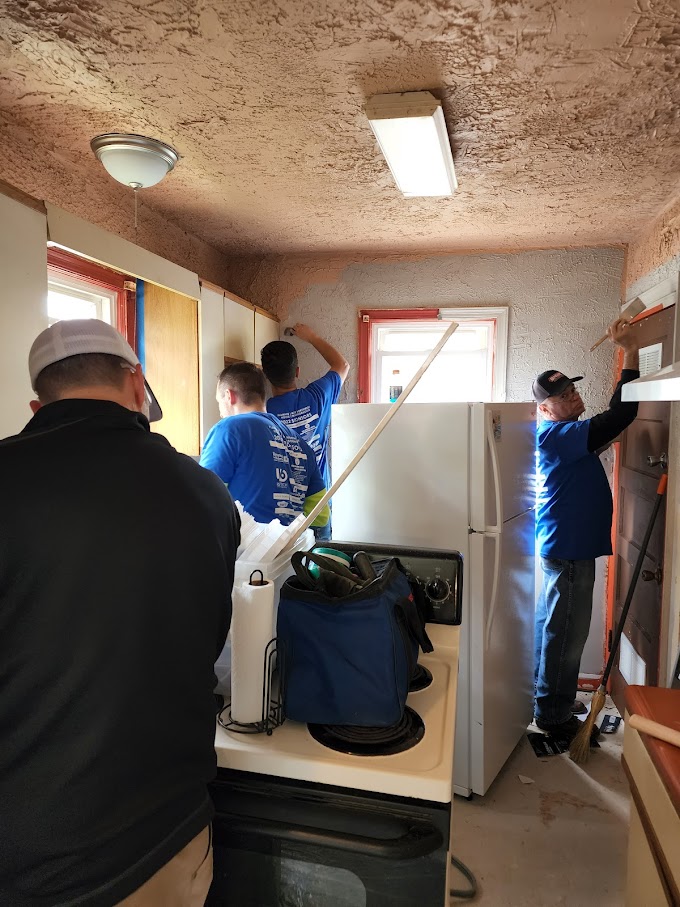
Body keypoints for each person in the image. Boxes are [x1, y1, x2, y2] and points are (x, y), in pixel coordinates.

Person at [0, 319, 240, 907]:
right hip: (162, 834)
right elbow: (209, 640)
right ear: (138, 384)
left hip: (24, 847)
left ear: (37, 404)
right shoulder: (206, 492)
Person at [533, 317, 640, 741]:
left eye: (573, 390)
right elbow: (622, 415)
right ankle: (554, 715)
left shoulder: (564, 435)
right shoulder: (555, 436)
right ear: (545, 407)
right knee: (567, 633)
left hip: (567, 544)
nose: (573, 397)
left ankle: (551, 698)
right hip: (569, 548)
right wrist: (630, 352)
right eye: (563, 396)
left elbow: (613, 420)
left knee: (557, 628)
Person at [200, 361, 330, 529]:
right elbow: (321, 516)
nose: (220, 411)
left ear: (229, 395)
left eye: (219, 402)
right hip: (290, 551)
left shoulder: (230, 429)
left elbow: (203, 497)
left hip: (243, 553)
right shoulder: (301, 444)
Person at [261, 324, 349, 539]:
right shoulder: (318, 396)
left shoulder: (264, 414)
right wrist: (311, 336)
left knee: (287, 571)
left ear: (265, 374)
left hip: (280, 515)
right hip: (317, 507)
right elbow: (342, 365)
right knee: (319, 567)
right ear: (297, 371)